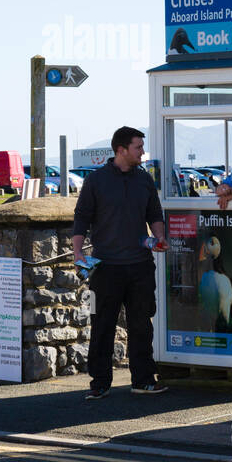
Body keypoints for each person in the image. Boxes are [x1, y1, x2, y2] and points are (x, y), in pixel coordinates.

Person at [73, 126, 168, 399]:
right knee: (102, 325)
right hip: (106, 268)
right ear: (121, 150)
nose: (142, 152)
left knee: (141, 324)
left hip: (140, 265)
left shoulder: (144, 180)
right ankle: (100, 383)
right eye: (138, 147)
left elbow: (155, 214)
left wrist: (159, 237)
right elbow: (81, 218)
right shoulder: (96, 181)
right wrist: (78, 253)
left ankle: (143, 380)